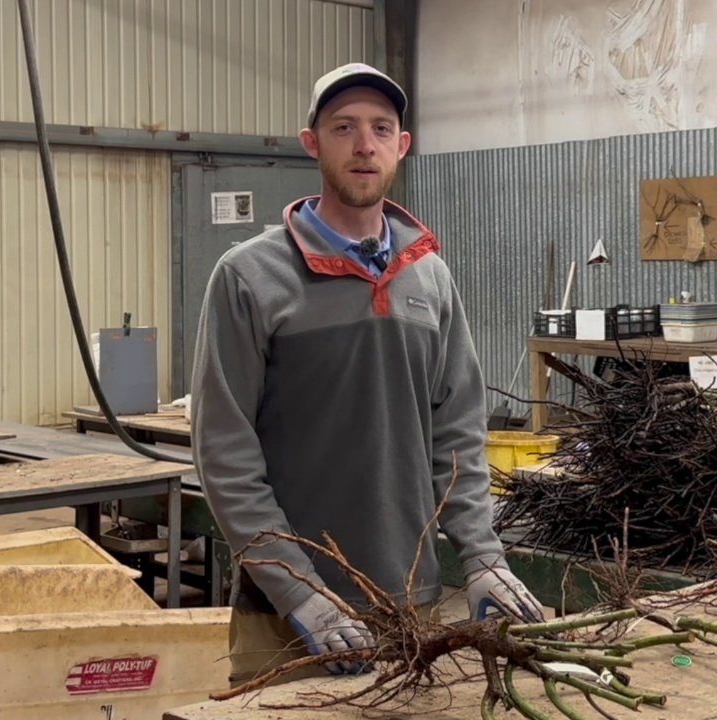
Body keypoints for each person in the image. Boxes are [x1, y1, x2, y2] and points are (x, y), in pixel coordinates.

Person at [190, 62, 545, 687]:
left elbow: (457, 430)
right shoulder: (250, 277)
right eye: (344, 127)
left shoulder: (429, 275)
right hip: (285, 615)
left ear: (401, 147)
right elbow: (224, 448)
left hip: (412, 600)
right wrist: (296, 590)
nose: (364, 144)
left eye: (382, 129)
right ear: (312, 143)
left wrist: (483, 557)